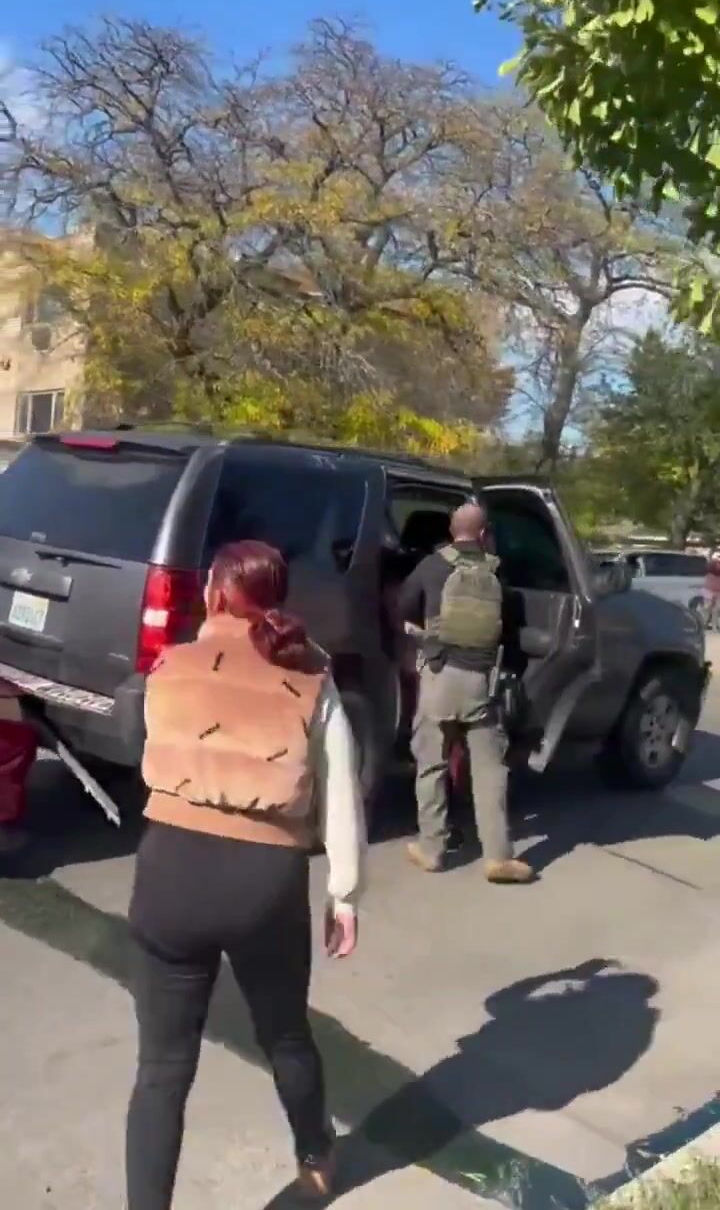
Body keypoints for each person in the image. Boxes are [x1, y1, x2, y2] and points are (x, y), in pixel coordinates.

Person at [126, 540, 366, 1210]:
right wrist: (344, 894)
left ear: (214, 594)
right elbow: (339, 790)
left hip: (169, 874)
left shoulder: (170, 665)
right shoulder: (311, 675)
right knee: (285, 1035)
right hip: (263, 882)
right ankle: (316, 1157)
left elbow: (155, 753)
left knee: (161, 1070)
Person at [396, 500, 533, 884]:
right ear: (484, 533)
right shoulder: (497, 572)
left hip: (439, 676)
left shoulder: (431, 565)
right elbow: (512, 630)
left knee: (431, 764)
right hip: (482, 683)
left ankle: (431, 849)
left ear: (451, 531)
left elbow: (404, 605)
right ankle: (498, 857)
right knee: (490, 771)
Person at [705, 549, 720, 631]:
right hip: (709, 590)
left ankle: (714, 626)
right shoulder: (710, 571)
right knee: (708, 608)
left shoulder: (710, 571)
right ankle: (704, 624)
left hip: (716, 591)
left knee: (715, 609)